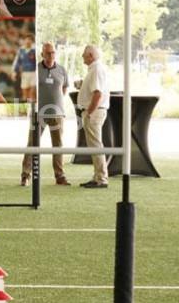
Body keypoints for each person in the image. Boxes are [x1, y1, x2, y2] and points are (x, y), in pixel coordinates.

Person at [21, 42, 69, 187]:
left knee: (58, 146)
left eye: (53, 52)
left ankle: (60, 176)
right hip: (38, 113)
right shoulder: (35, 70)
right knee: (32, 144)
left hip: (57, 114)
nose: (51, 55)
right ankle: (25, 175)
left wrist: (56, 101)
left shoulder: (61, 70)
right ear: (42, 54)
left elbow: (65, 87)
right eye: (48, 53)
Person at [78, 43, 109, 189]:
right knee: (94, 145)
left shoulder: (96, 69)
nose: (82, 56)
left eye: (84, 53)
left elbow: (98, 93)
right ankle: (97, 176)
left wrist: (89, 112)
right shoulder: (95, 69)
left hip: (94, 113)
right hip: (94, 112)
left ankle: (101, 178)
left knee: (96, 145)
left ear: (90, 55)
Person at [13, 34, 37, 103]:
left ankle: (33, 110)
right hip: (24, 73)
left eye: (30, 40)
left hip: (33, 73)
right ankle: (26, 109)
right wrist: (15, 72)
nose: (28, 41)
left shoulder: (34, 50)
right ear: (24, 41)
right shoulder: (21, 50)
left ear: (32, 41)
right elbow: (18, 62)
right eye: (26, 39)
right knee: (25, 94)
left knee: (32, 93)